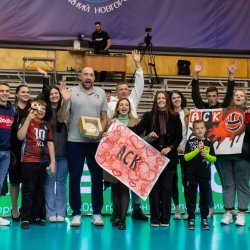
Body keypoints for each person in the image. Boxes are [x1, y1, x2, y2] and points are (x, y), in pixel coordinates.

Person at [57, 67, 108, 227]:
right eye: (85, 74)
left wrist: (100, 132)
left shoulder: (101, 92)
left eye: (91, 74)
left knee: (97, 179)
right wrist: (65, 101)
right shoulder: (70, 92)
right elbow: (60, 117)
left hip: (95, 143)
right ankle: (76, 213)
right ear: (80, 76)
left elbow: (104, 117)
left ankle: (97, 213)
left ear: (94, 77)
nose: (88, 77)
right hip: (74, 142)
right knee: (75, 179)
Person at [191, 60, 239, 217]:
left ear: (217, 96)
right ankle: (210, 207)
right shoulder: (202, 107)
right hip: (205, 149)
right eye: (209, 96)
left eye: (214, 96)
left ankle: (229, 208)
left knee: (226, 181)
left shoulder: (223, 107)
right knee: (205, 181)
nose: (211, 98)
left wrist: (231, 75)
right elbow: (195, 95)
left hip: (221, 150)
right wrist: (196, 74)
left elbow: (230, 93)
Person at [131, 91, 182, 227]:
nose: (161, 100)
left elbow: (179, 136)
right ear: (155, 100)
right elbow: (136, 129)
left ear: (167, 100)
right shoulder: (148, 116)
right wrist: (117, 127)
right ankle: (154, 218)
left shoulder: (175, 116)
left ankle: (165, 218)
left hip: (169, 157)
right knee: (154, 189)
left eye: (163, 98)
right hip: (151, 158)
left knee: (166, 188)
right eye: (158, 98)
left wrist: (170, 148)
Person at [108, 50, 148, 221]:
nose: (124, 91)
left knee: (133, 178)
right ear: (116, 92)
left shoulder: (132, 101)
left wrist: (138, 64)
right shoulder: (109, 104)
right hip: (115, 149)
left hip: (132, 148)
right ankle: (116, 211)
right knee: (115, 181)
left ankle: (137, 208)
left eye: (126, 89)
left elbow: (140, 84)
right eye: (121, 89)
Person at [17, 99, 56, 229]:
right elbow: (20, 136)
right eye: (38, 108)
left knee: (39, 190)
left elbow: (50, 143)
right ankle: (25, 218)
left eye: (44, 109)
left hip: (43, 162)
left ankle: (36, 216)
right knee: (28, 190)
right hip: (28, 161)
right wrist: (28, 119)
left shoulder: (47, 125)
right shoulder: (26, 121)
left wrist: (53, 162)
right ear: (33, 109)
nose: (41, 111)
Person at [104, 98, 139, 230]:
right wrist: (105, 134)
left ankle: (123, 220)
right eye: (121, 105)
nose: (124, 107)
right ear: (117, 108)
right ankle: (118, 215)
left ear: (129, 108)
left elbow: (140, 142)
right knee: (115, 190)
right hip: (112, 161)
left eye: (126, 105)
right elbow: (105, 138)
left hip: (127, 161)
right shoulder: (110, 122)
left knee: (124, 190)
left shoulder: (135, 122)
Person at [218, 90, 250, 226]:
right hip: (224, 154)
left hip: (243, 155)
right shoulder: (223, 113)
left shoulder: (248, 115)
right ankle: (228, 213)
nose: (238, 96)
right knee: (228, 185)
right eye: (236, 95)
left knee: (242, 185)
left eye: (241, 95)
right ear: (233, 98)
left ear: (245, 99)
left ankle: (242, 214)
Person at [184, 120, 216, 230]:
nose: (200, 130)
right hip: (192, 174)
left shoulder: (209, 143)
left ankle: (204, 218)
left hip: (204, 175)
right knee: (191, 197)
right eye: (197, 128)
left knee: (204, 197)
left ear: (205, 129)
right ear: (193, 130)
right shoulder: (190, 142)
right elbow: (186, 157)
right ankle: (191, 218)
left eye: (202, 128)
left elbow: (214, 159)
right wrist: (197, 150)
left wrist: (206, 155)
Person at [42, 85, 68, 222]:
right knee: (49, 183)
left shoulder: (66, 110)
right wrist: (45, 79)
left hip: (64, 152)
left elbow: (61, 118)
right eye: (51, 94)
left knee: (62, 182)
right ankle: (50, 212)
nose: (54, 96)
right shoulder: (44, 112)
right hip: (47, 154)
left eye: (56, 93)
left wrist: (66, 101)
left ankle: (61, 212)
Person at [9, 85, 31, 222]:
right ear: (17, 94)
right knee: (15, 182)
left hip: (30, 150)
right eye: (23, 92)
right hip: (15, 150)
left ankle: (26, 209)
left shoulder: (33, 109)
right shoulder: (12, 109)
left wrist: (46, 78)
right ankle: (14, 208)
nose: (26, 94)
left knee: (28, 183)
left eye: (28, 92)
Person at [169, 90, 189, 220]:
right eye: (173, 98)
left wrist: (185, 147)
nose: (176, 99)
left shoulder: (189, 113)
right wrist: (175, 147)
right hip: (173, 151)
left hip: (187, 151)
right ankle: (176, 208)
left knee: (186, 181)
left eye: (178, 97)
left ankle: (188, 209)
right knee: (173, 181)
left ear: (182, 98)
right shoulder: (169, 114)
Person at [0, 82, 16, 226]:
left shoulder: (12, 111)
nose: (5, 93)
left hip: (6, 152)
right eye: (1, 91)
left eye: (7, 90)